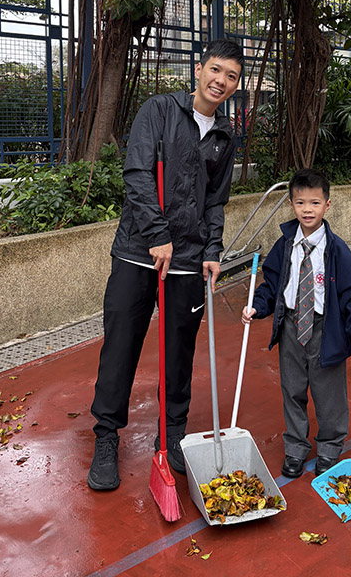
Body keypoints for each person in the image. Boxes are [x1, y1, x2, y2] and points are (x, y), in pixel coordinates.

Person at [88, 39, 243, 490]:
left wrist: (212, 251)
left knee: (179, 351)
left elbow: (215, 201)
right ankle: (106, 437)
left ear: (236, 85)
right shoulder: (158, 110)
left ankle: (172, 431)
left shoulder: (224, 137)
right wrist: (157, 235)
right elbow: (137, 175)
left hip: (188, 260)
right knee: (121, 345)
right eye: (215, 70)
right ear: (199, 69)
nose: (221, 81)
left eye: (231, 76)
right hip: (138, 253)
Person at [242, 168, 351, 479]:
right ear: (291, 204)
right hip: (291, 326)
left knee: (328, 393)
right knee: (292, 389)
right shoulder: (284, 245)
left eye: (315, 203)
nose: (307, 209)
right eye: (301, 202)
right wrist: (257, 307)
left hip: (325, 329)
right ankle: (295, 447)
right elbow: (272, 285)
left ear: (327, 205)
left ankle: (329, 447)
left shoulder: (336, 249)